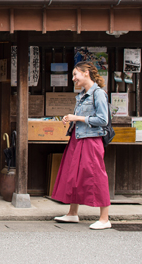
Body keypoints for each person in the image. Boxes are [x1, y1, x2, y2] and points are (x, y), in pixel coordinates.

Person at [51, 61, 111, 230]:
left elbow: (103, 120)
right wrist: (70, 119)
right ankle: (72, 213)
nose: (73, 78)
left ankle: (105, 219)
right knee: (73, 175)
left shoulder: (98, 93)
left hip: (91, 140)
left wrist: (77, 118)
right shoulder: (83, 94)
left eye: (75, 74)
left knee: (96, 176)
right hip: (78, 138)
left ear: (86, 73)